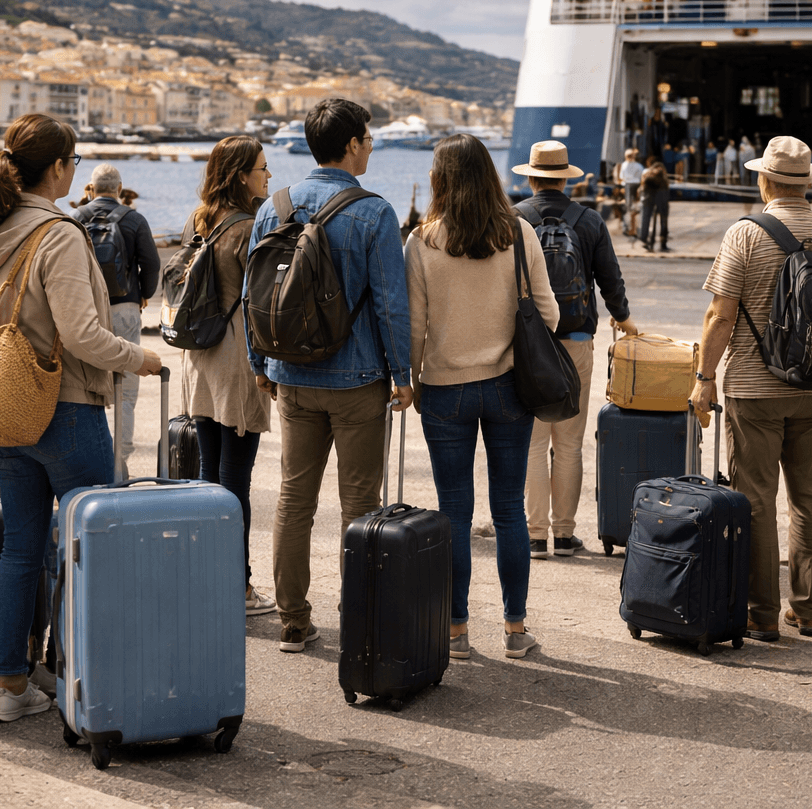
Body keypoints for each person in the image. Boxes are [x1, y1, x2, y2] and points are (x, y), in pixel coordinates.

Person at [0, 113, 163, 722]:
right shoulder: (58, 235)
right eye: (71, 163)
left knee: (20, 548)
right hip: (67, 409)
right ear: (56, 168)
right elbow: (82, 335)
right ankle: (85, 676)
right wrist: (141, 358)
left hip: (4, 412)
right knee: (93, 549)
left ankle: (11, 686)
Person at [248, 97, 413, 654]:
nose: (370, 147)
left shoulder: (275, 207)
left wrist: (260, 364)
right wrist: (403, 373)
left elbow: (256, 296)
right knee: (360, 504)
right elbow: (391, 304)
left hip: (291, 374)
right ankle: (359, 617)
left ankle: (292, 621)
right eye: (367, 139)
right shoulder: (374, 212)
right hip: (358, 378)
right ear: (350, 145)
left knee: (295, 499)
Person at [691, 136, 812, 641]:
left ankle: (762, 614)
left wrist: (704, 378)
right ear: (807, 184)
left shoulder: (745, 235)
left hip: (755, 388)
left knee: (757, 499)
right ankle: (810, 610)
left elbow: (721, 315)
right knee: (811, 498)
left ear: (764, 180)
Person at [405, 133, 559, 659]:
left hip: (444, 390)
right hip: (509, 388)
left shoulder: (422, 242)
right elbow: (550, 314)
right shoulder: (519, 233)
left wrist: (414, 379)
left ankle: (457, 631)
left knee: (453, 512)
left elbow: (416, 328)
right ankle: (516, 631)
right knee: (510, 510)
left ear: (440, 180)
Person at [513, 140, 637, 558]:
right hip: (577, 342)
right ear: (567, 179)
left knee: (530, 444)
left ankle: (535, 536)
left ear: (530, 177)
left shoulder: (515, 219)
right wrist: (623, 316)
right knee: (568, 443)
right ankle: (565, 535)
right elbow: (610, 278)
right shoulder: (589, 220)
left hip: (528, 345)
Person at [178, 136, 276, 616]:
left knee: (207, 474)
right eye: (261, 168)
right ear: (241, 175)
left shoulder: (201, 220)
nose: (268, 176)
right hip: (237, 360)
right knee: (235, 478)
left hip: (200, 359)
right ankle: (238, 586)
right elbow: (261, 302)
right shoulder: (250, 227)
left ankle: (205, 577)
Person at [73, 164, 160, 476]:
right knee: (125, 385)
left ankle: (87, 457)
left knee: (82, 384)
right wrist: (143, 295)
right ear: (120, 189)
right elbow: (151, 264)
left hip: (86, 310)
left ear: (92, 188)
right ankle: (119, 459)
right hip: (124, 308)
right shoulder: (134, 219)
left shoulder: (75, 219)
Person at [637, 156, 671, 252]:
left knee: (646, 218)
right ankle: (663, 241)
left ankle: (644, 239)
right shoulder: (663, 176)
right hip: (661, 198)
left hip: (648, 197)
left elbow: (642, 186)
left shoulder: (647, 173)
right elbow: (667, 188)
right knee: (663, 220)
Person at [618, 148, 645, 235]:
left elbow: (621, 177)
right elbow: (642, 177)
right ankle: (635, 229)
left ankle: (629, 228)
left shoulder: (624, 165)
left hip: (628, 186)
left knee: (628, 208)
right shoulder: (639, 166)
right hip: (636, 187)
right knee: (636, 208)